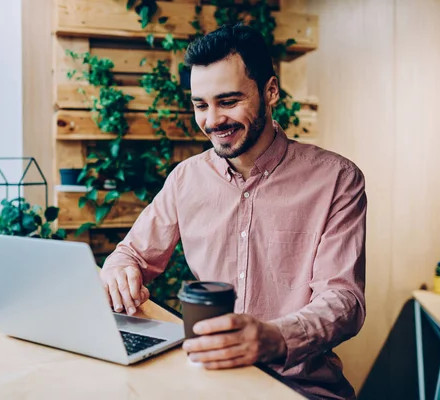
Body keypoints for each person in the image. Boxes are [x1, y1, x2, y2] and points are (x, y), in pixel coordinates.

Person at [100, 23, 366, 400]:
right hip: (204, 383)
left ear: (270, 91)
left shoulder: (337, 179)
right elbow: (131, 254)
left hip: (299, 387)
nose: (212, 121)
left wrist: (274, 337)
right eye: (200, 105)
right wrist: (119, 270)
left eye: (227, 101)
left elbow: (345, 300)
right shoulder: (186, 179)